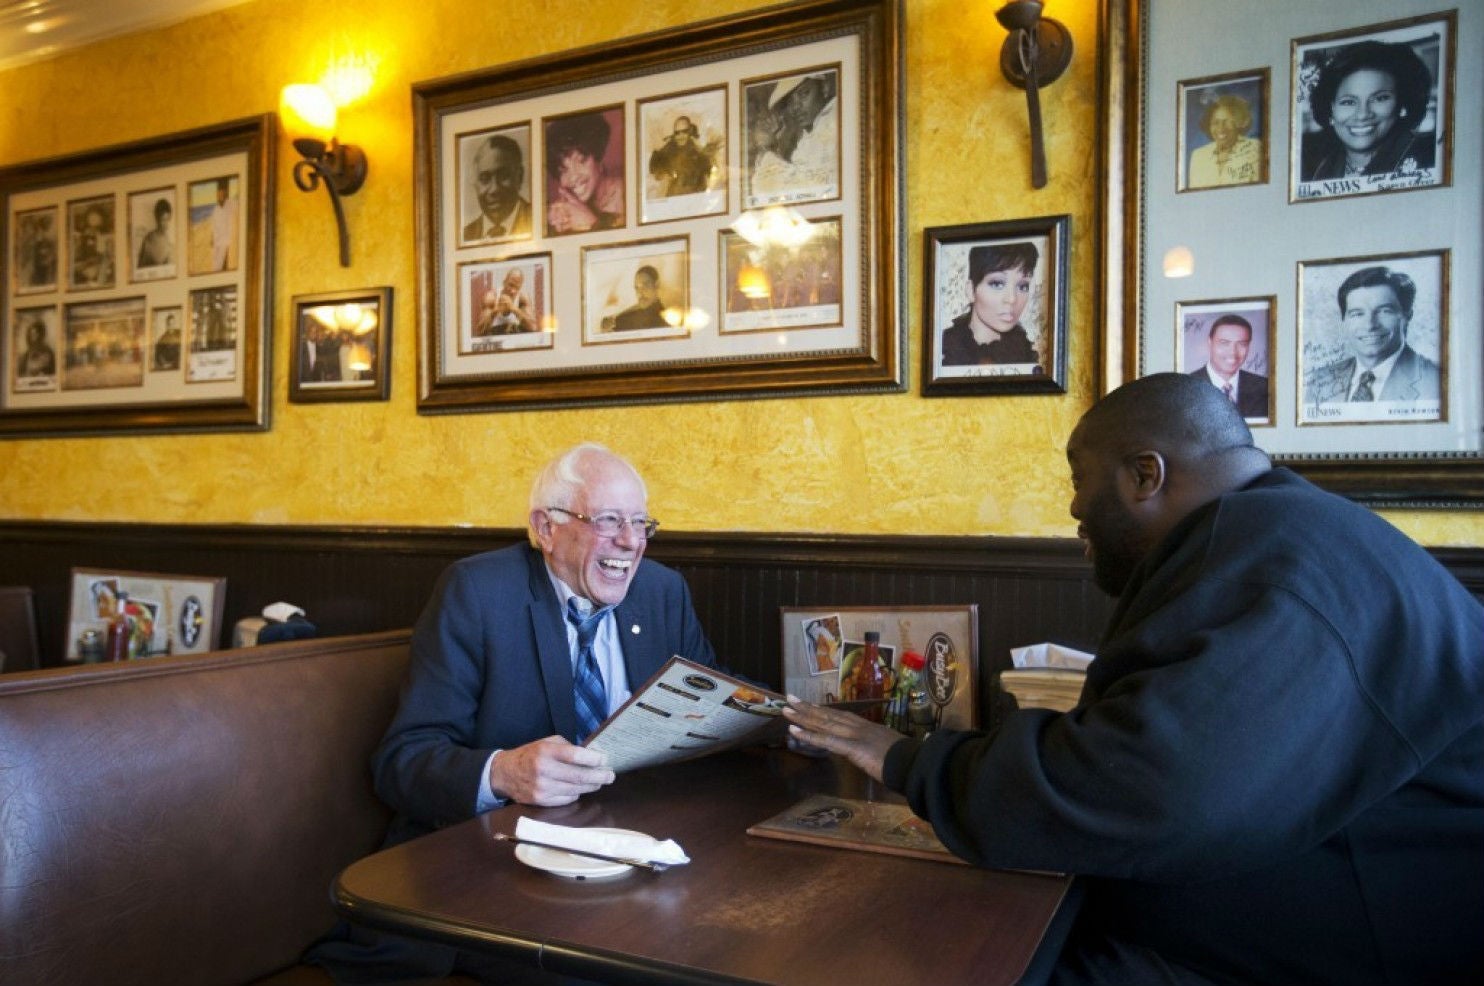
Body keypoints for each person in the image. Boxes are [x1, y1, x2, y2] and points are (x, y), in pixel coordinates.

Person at [785, 372, 1484, 984]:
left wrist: (909, 759)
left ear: (1145, 475)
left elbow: (1142, 788)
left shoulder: (1276, 560)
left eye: (1078, 478)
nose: (1073, 508)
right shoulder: (1274, 534)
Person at [306, 444, 721, 982]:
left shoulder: (663, 592)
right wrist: (502, 772)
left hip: (626, 859)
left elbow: (708, 701)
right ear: (544, 529)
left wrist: (790, 721)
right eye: (609, 521)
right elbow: (402, 761)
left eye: (642, 522)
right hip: (490, 871)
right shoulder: (478, 592)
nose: (631, 542)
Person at [1301, 40, 1436, 184]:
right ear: (1331, 109)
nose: (1363, 114)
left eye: (1379, 99)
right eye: (1348, 102)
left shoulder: (1429, 156)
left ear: (1402, 104)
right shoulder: (1319, 168)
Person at [1305, 265, 1440, 405]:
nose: (1370, 325)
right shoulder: (1319, 381)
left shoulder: (1436, 380)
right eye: (1357, 314)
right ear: (1344, 320)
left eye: (1384, 311)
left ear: (1407, 316)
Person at [941, 242, 1041, 367]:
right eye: (997, 284)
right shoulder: (944, 348)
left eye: (1022, 286)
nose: (1012, 299)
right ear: (971, 290)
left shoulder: (1026, 354)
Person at [546, 114, 624, 234]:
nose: (573, 176)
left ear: (599, 157)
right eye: (563, 169)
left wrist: (591, 223)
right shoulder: (570, 205)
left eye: (581, 161)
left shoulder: (627, 197)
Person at [1189, 313, 1268, 418]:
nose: (1233, 352)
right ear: (1210, 342)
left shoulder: (1264, 387)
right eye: (1224, 343)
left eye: (1242, 344)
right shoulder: (1186, 387)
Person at [463, 134, 532, 241]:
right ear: (475, 184)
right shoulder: (465, 236)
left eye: (504, 176)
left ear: (519, 177)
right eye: (485, 179)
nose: (494, 189)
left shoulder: (543, 222)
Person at [1186, 94, 1262, 188]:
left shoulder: (1255, 148)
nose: (1220, 128)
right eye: (1215, 122)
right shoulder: (1198, 155)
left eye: (1227, 121)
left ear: (1238, 123)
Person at [647, 115, 714, 196]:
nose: (680, 136)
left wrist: (699, 147)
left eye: (684, 131)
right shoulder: (671, 147)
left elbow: (709, 169)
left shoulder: (697, 149)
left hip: (696, 197)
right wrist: (658, 150)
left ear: (690, 132)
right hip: (674, 198)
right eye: (677, 133)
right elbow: (655, 171)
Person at [607, 265, 668, 331]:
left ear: (656, 285)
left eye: (645, 286)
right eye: (637, 288)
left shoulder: (666, 319)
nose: (640, 293)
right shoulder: (624, 319)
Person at [209, 178, 238, 272]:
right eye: (218, 194)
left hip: (225, 239)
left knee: (220, 262)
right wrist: (212, 237)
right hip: (216, 238)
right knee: (213, 260)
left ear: (225, 194)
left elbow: (239, 202)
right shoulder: (215, 208)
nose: (220, 196)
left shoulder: (229, 204)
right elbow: (213, 224)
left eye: (222, 194)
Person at [137, 197, 173, 269]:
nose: (166, 223)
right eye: (163, 219)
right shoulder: (148, 240)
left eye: (168, 219)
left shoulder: (169, 241)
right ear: (157, 219)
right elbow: (140, 268)